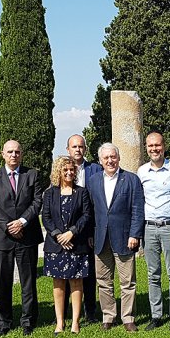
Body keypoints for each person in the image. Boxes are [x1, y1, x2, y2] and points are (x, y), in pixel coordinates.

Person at [0, 140, 44, 336]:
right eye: (10, 152)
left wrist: (22, 222)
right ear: (2, 154)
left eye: (17, 152)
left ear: (22, 154)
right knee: (3, 282)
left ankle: (28, 320)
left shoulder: (32, 174)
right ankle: (3, 322)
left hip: (27, 235)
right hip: (2, 238)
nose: (13, 155)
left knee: (28, 281)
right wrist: (10, 226)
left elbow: (37, 202)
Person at [87, 143, 144, 332]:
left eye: (113, 157)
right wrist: (89, 235)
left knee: (128, 282)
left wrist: (135, 234)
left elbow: (137, 209)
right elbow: (90, 211)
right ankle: (108, 316)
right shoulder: (93, 181)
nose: (110, 161)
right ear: (100, 161)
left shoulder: (131, 179)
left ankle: (128, 318)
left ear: (118, 158)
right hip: (100, 238)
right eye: (106, 158)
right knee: (103, 281)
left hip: (125, 238)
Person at [137, 132, 170, 331]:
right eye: (150, 146)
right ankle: (156, 316)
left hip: (169, 226)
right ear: (146, 148)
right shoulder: (141, 171)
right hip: (149, 228)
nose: (154, 149)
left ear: (164, 146)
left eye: (157, 145)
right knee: (152, 274)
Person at [42, 156, 93, 334]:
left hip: (76, 244)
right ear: (59, 172)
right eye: (65, 170)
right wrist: (58, 236)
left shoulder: (82, 192)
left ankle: (75, 323)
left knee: (76, 282)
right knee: (59, 283)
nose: (69, 172)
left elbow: (87, 215)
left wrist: (72, 232)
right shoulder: (50, 193)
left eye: (72, 169)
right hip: (56, 246)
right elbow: (46, 218)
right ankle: (60, 322)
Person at [66, 134, 102, 322]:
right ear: (68, 150)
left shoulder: (96, 170)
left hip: (88, 230)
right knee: (65, 273)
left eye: (81, 146)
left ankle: (90, 312)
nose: (78, 150)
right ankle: (64, 313)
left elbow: (98, 203)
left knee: (88, 273)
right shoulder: (61, 169)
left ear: (85, 149)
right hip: (66, 231)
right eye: (74, 147)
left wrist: (92, 231)